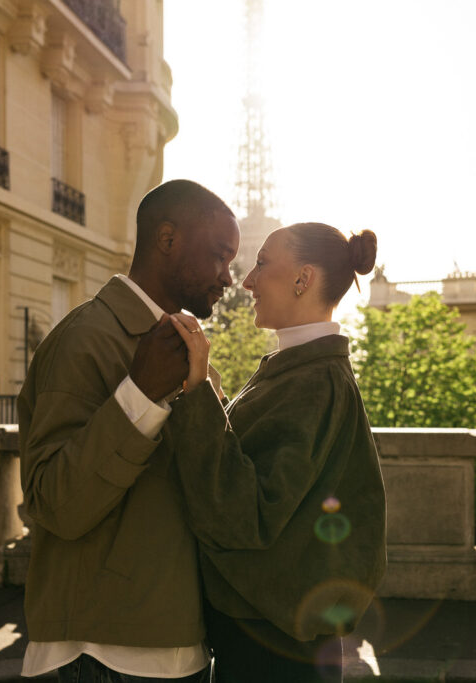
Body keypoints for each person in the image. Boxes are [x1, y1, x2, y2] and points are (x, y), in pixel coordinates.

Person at [17, 179, 239, 682]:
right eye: (220, 256)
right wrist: (139, 395)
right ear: (167, 240)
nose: (228, 277)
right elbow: (54, 502)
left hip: (178, 645)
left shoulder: (183, 349)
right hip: (99, 658)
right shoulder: (85, 340)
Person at [166, 223, 387, 683]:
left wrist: (200, 393)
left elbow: (243, 514)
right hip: (273, 635)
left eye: (262, 264)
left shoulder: (312, 382)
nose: (245, 281)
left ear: (302, 279)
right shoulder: (301, 371)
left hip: (271, 646)